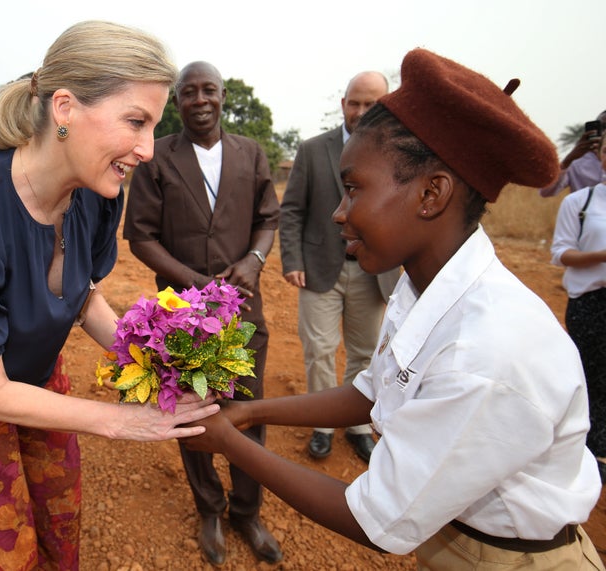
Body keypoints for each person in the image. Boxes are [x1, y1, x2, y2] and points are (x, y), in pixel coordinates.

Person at [180, 48, 605, 570]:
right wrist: (251, 411)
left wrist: (228, 440)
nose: (339, 213)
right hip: (458, 538)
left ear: (432, 194)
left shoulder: (487, 352)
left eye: (354, 189)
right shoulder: (425, 286)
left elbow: (376, 521)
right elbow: (377, 387)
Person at [0, 21, 219, 570]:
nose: (148, 149)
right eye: (136, 122)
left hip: (40, 376)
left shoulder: (98, 192)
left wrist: (150, 363)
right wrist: (120, 420)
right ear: (66, 108)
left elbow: (83, 296)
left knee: (59, 517)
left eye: (154, 127)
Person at [123, 61, 282, 566]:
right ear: (177, 103)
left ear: (223, 95)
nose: (199, 100)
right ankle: (209, 509)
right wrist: (192, 283)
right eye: (188, 92)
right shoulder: (156, 158)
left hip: (244, 313)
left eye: (208, 90)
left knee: (248, 410)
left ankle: (247, 512)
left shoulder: (250, 153)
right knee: (191, 415)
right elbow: (141, 237)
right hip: (181, 320)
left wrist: (254, 261)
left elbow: (268, 219)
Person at [279, 71, 400, 462]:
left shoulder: (402, 153)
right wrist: (293, 260)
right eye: (355, 102)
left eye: (371, 104)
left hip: (375, 271)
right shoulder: (314, 150)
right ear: (343, 104)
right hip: (319, 268)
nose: (361, 111)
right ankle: (322, 426)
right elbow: (293, 209)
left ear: (386, 106)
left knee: (366, 354)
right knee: (320, 350)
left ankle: (358, 425)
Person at [551, 132, 606, 484]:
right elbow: (560, 253)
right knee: (587, 378)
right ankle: (588, 456)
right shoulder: (581, 203)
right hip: (590, 304)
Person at [540, 110, 606, 197]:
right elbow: (545, 192)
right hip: (580, 209)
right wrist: (569, 159)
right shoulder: (576, 162)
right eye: (602, 126)